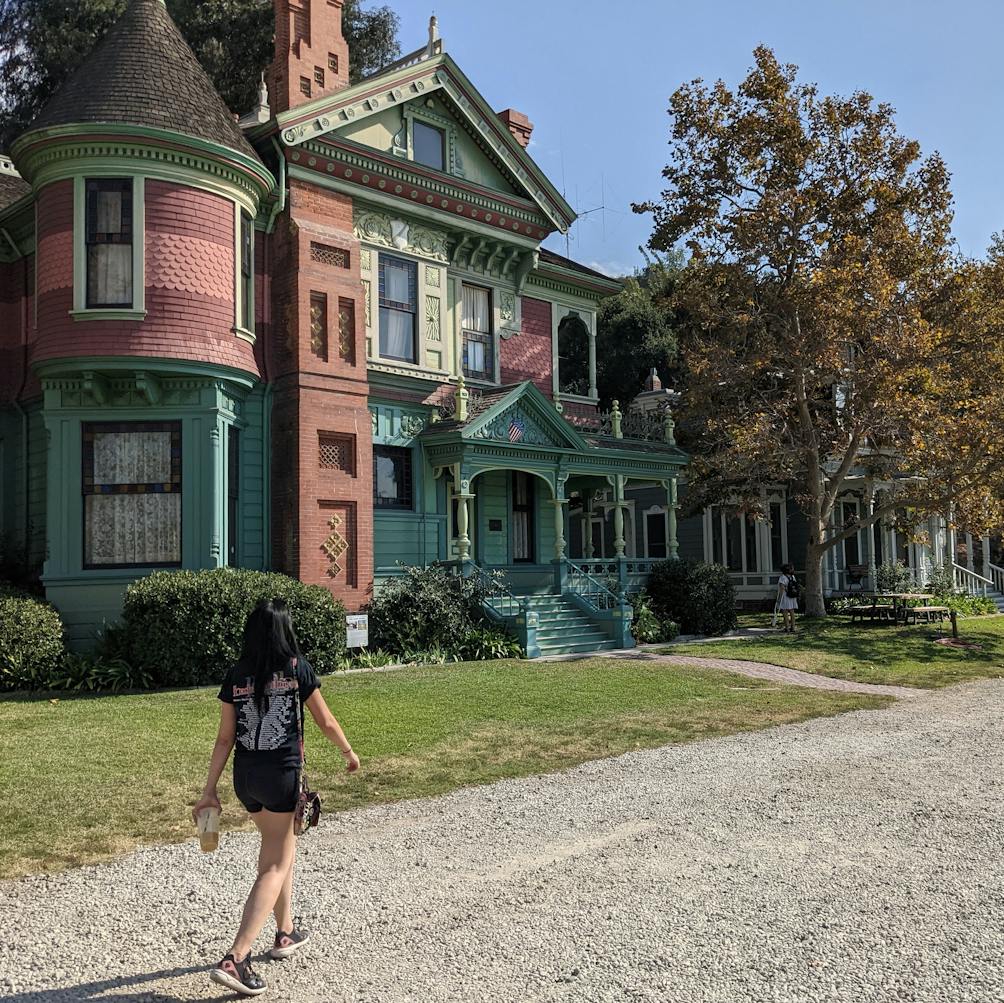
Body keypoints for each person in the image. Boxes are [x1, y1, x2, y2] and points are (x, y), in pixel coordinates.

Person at [192, 599, 360, 997]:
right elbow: (325, 720)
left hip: (245, 777)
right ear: (285, 630)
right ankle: (236, 957)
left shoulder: (236, 675)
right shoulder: (297, 669)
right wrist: (349, 754)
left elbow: (224, 737)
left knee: (279, 852)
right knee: (273, 865)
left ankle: (285, 933)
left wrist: (209, 789)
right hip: (280, 775)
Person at [776, 563, 800, 634]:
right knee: (792, 612)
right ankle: (793, 627)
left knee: (785, 612)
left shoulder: (782, 577)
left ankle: (787, 628)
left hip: (785, 597)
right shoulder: (792, 577)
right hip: (792, 596)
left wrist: (779, 598)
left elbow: (782, 588)